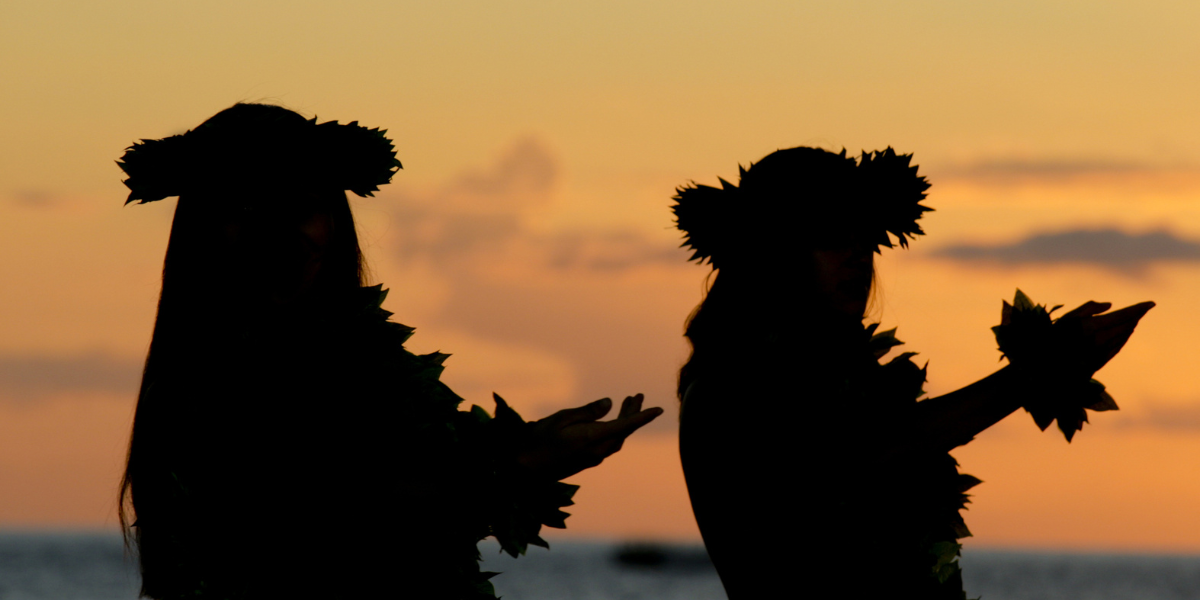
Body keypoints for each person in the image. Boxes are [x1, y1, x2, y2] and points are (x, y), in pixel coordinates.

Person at [116, 103, 662, 600]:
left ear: (333, 225)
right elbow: (341, 521)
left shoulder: (365, 372)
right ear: (202, 232)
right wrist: (519, 464)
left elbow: (415, 504)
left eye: (301, 207)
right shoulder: (203, 392)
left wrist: (525, 451)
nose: (278, 234)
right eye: (246, 207)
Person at [672, 146, 1153, 598]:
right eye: (832, 235)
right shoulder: (727, 387)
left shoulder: (847, 387)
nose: (859, 255)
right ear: (769, 257)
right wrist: (1036, 371)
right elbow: (863, 455)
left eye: (866, 237)